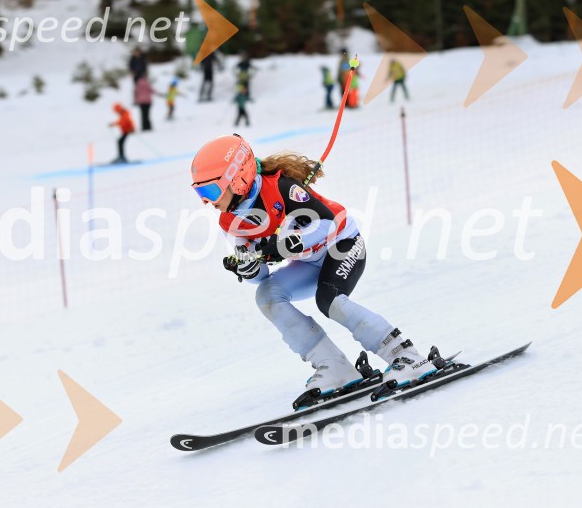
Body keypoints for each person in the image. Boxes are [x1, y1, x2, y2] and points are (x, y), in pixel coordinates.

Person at [189, 135, 444, 399]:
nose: (207, 201)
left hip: (342, 244)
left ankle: (406, 356)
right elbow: (260, 275)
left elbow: (328, 225)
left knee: (329, 299)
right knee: (266, 295)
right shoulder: (229, 222)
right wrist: (249, 268)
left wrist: (286, 245)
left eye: (210, 191)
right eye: (200, 193)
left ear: (237, 178)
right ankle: (334, 366)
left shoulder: (281, 188)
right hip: (309, 262)